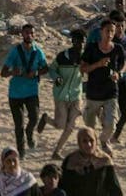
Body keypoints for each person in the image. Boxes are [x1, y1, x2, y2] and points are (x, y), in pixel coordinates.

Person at [80, 18, 126, 153]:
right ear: (101, 32)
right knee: (89, 127)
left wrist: (119, 73)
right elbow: (82, 69)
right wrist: (98, 65)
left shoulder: (118, 48)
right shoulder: (92, 48)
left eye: (112, 31)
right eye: (107, 31)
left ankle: (103, 140)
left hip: (111, 92)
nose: (110, 34)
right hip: (93, 93)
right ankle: (93, 145)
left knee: (111, 125)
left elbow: (124, 64)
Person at [1, 24, 49, 157]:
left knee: (34, 117)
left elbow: (46, 68)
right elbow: (3, 72)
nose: (29, 35)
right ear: (22, 34)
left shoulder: (38, 51)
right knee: (19, 124)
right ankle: (21, 151)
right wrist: (12, 72)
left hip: (32, 92)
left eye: (32, 33)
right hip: (15, 93)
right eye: (27, 33)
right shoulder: (15, 51)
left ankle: (29, 133)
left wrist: (36, 72)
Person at [38, 29, 85, 160]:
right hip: (61, 95)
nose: (80, 45)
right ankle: (46, 119)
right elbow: (52, 69)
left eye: (83, 42)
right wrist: (56, 77)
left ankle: (57, 151)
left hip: (76, 96)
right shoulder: (62, 56)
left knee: (70, 127)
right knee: (61, 125)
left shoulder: (85, 57)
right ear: (73, 41)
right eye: (78, 42)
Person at [58, 128, 121, 195]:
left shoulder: (104, 160)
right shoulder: (70, 160)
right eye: (84, 141)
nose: (89, 144)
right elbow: (62, 188)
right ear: (79, 142)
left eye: (91, 140)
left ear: (96, 141)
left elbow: (114, 187)